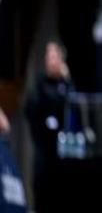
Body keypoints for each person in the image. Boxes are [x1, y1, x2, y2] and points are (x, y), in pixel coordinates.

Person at [25, 41, 73, 213]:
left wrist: (66, 80)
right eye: (48, 57)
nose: (50, 61)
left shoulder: (66, 85)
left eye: (53, 57)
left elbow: (71, 107)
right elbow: (31, 109)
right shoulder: (40, 84)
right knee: (41, 192)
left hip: (63, 153)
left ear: (61, 60)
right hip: (43, 150)